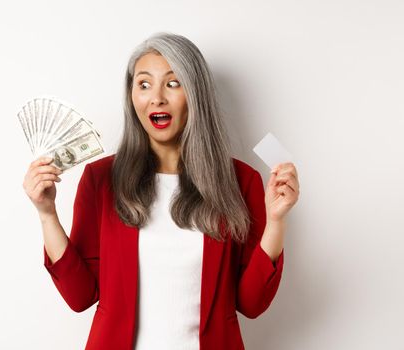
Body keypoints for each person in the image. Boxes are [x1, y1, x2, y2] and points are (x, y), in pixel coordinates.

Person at [22, 32, 300, 350]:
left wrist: (276, 220)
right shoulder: (101, 179)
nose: (156, 98)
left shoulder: (241, 181)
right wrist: (46, 213)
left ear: (196, 94)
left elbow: (251, 304)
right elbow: (79, 296)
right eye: (144, 84)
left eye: (172, 83)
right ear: (131, 97)